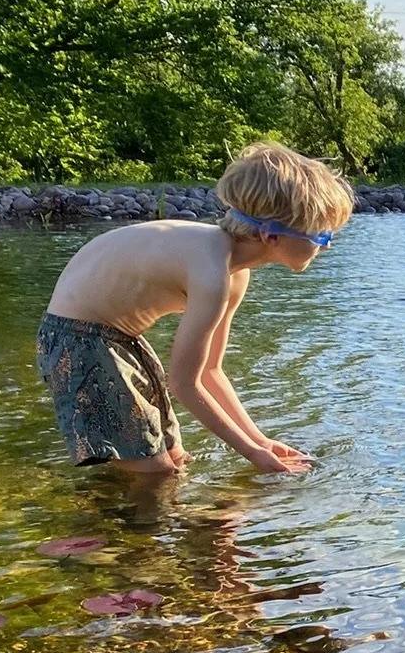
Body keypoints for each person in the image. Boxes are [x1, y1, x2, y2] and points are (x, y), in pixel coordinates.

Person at [36, 142, 353, 477]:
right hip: (77, 340)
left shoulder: (235, 274)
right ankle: (101, 523)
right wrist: (252, 455)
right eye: (319, 234)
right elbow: (185, 383)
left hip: (119, 336)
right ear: (270, 235)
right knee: (155, 473)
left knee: (175, 459)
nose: (327, 243)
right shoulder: (211, 273)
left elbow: (211, 372)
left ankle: (136, 513)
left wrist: (261, 442)